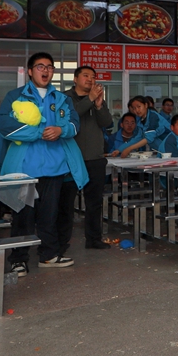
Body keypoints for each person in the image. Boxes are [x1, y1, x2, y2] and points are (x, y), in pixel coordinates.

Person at [0, 52, 87, 276]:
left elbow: (74, 125)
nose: (45, 70)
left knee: (50, 214)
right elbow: (5, 126)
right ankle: (18, 259)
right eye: (40, 66)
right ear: (30, 71)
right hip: (24, 168)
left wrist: (60, 130)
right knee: (23, 215)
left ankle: (49, 255)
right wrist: (39, 132)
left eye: (49, 67)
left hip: (54, 167)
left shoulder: (62, 98)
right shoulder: (15, 96)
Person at [66, 66, 114, 250]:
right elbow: (71, 115)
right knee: (66, 202)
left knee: (94, 202)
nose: (90, 79)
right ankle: (60, 242)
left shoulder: (96, 99)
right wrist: (90, 99)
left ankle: (93, 239)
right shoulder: (65, 98)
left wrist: (99, 105)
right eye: (85, 76)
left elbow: (107, 122)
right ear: (75, 79)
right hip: (71, 159)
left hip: (95, 158)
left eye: (93, 77)